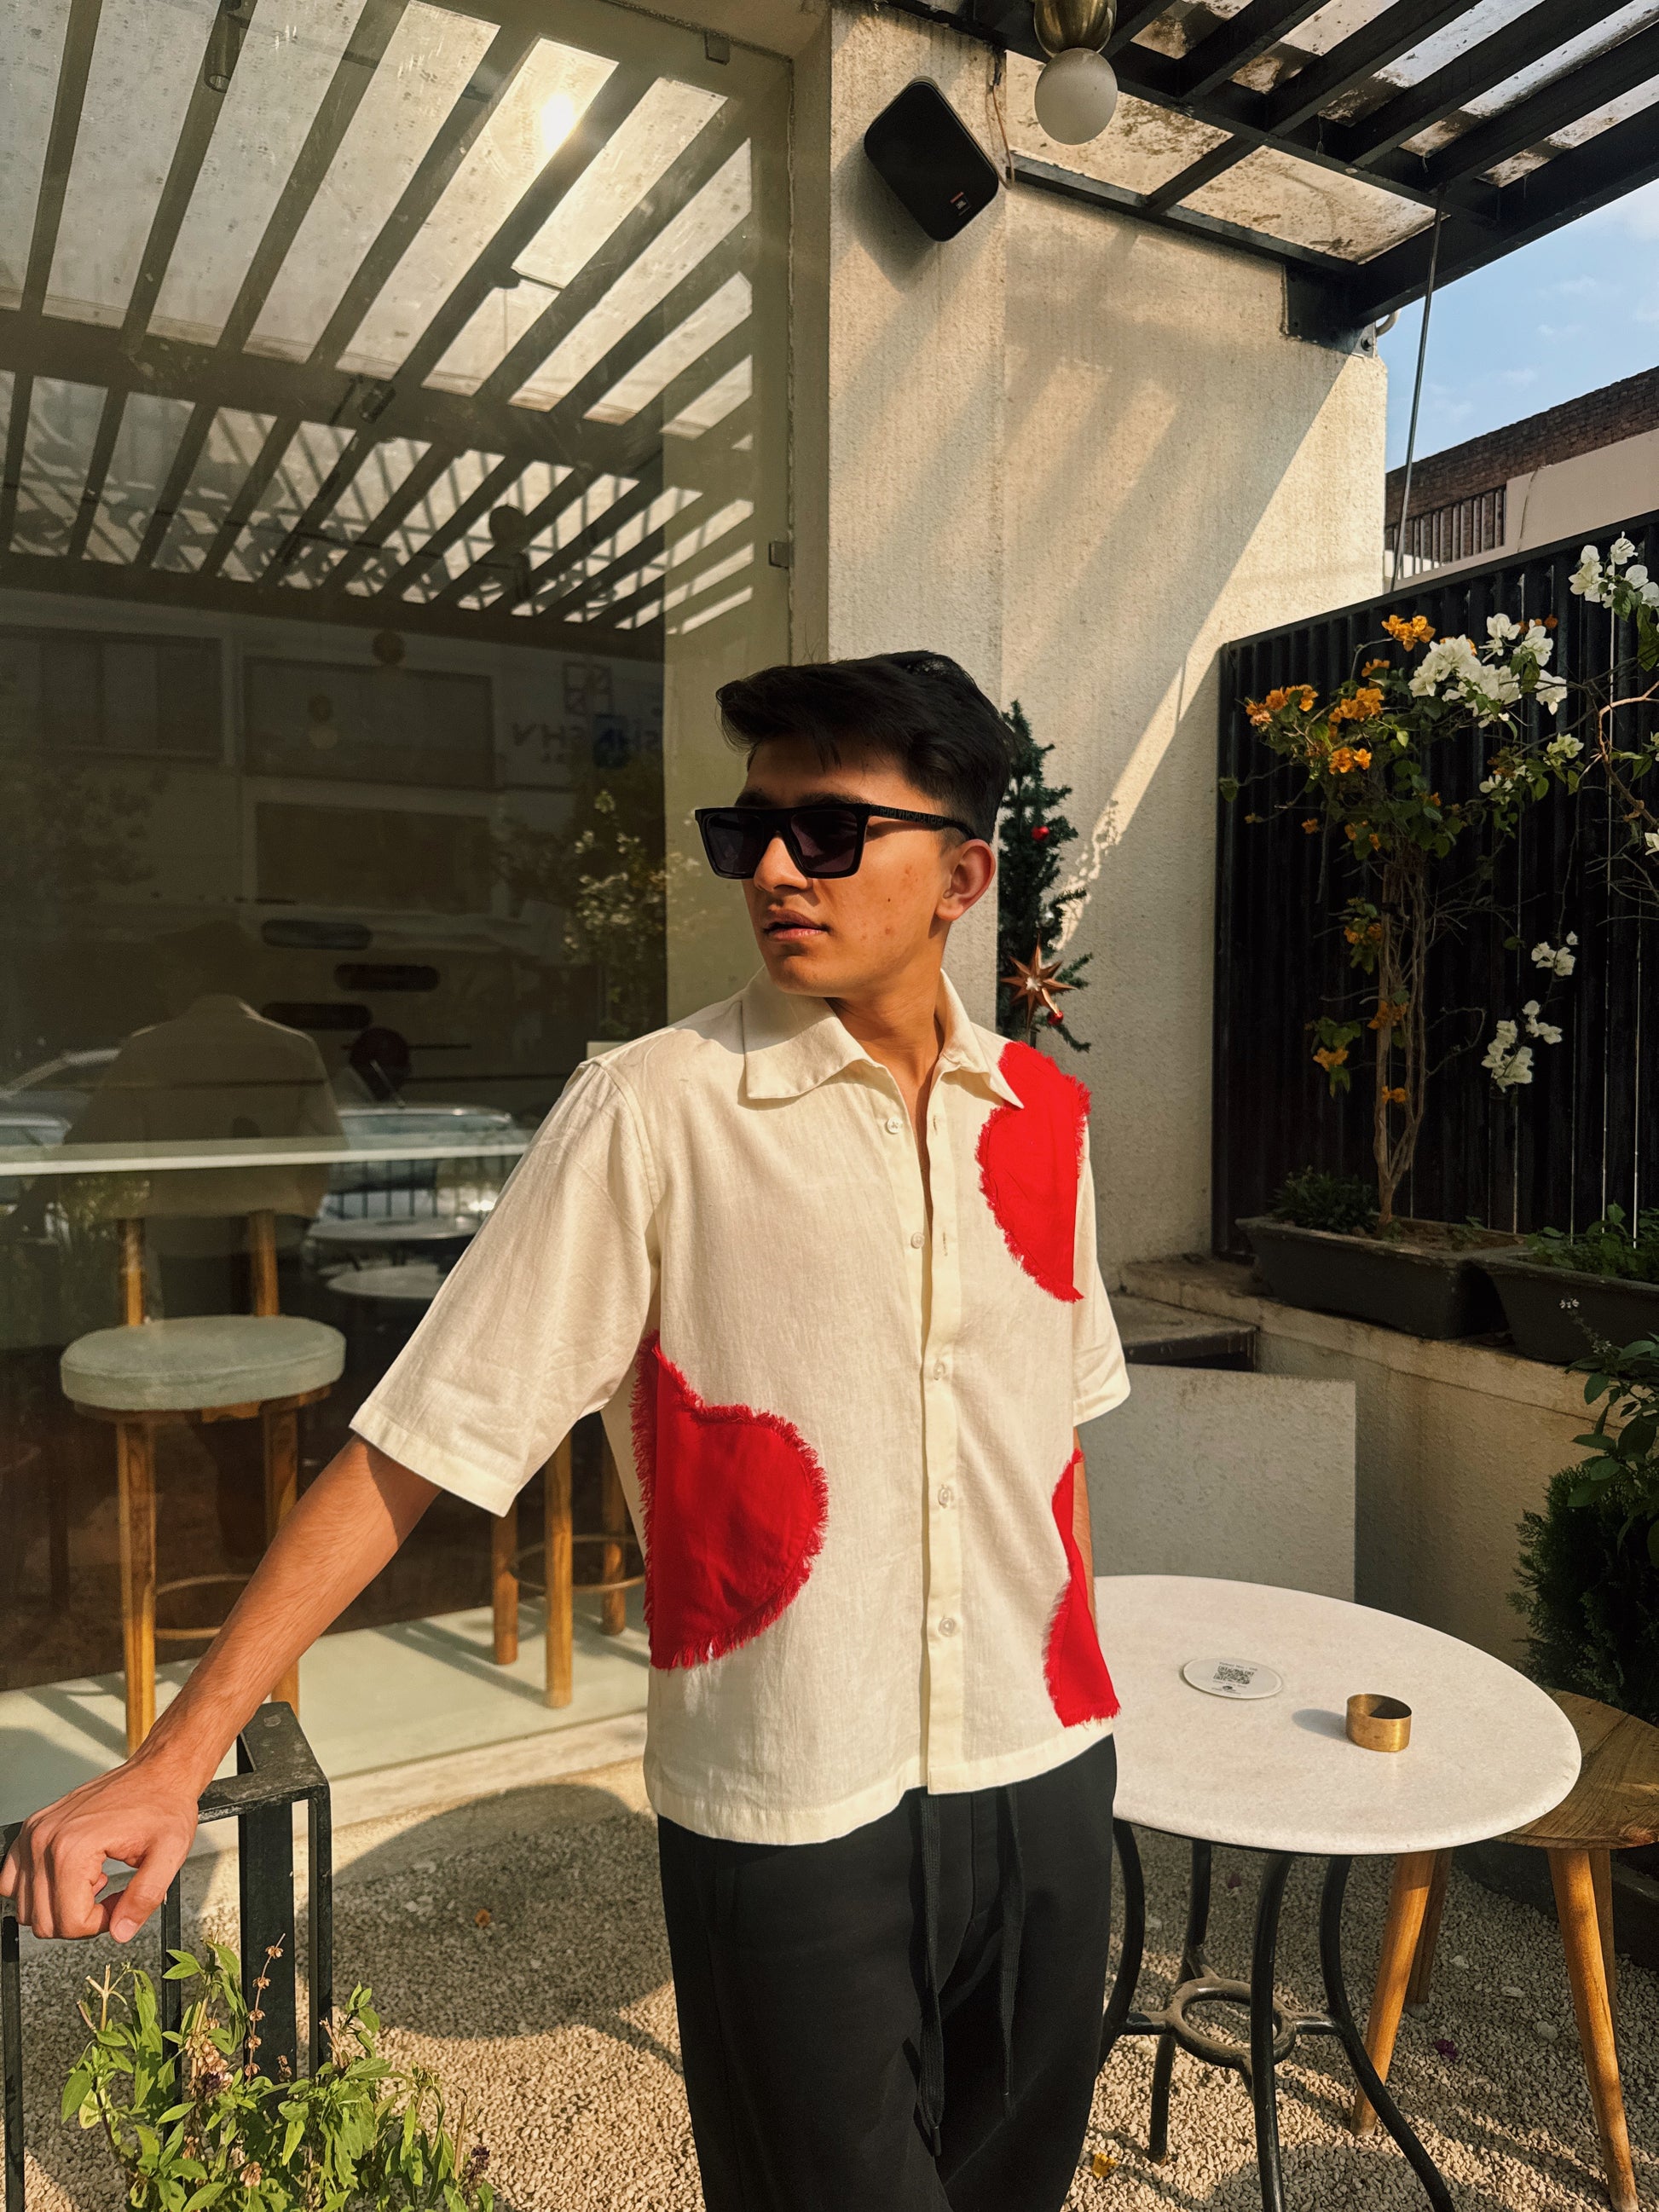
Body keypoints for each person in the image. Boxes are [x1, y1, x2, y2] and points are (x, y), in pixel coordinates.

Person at [3, 650, 1130, 2212]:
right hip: (789, 1797)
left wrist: (1091, 1705)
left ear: (963, 876)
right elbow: (421, 1441)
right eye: (748, 834)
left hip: (1047, 1773)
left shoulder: (1045, 1121)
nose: (774, 871)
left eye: (827, 832)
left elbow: (1048, 1448)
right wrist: (177, 1755)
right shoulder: (653, 1110)